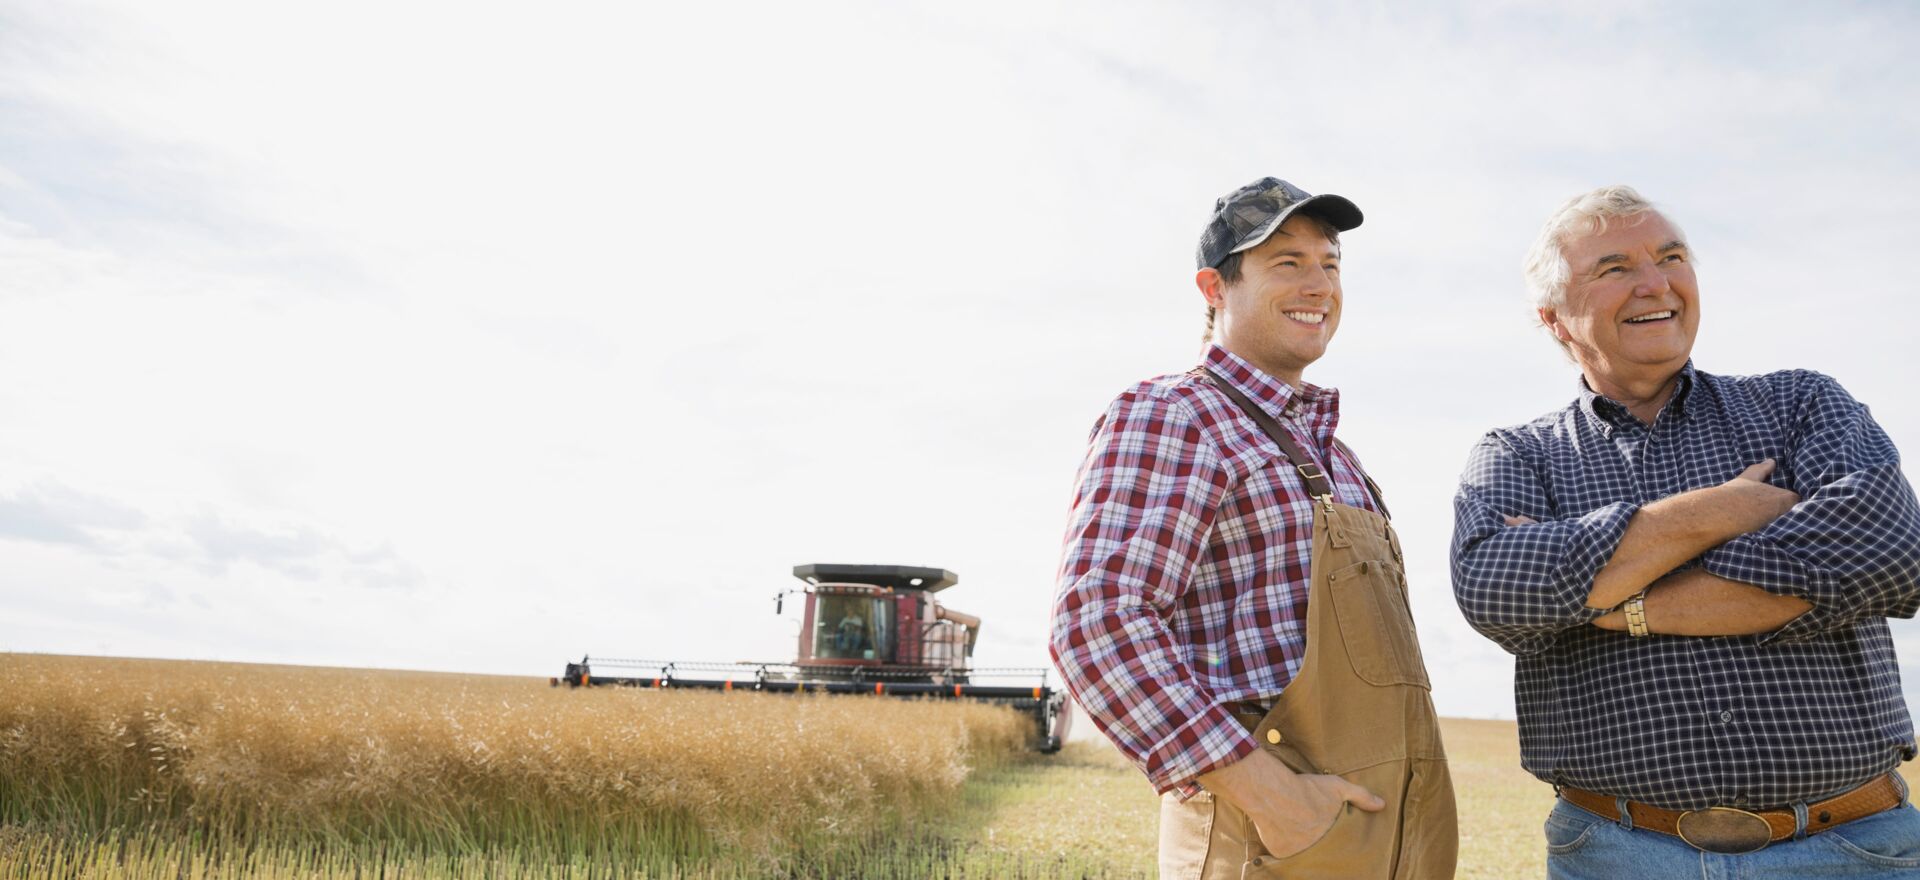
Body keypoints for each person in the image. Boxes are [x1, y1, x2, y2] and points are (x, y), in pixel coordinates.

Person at [1451, 185, 1920, 877]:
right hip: (1617, 851)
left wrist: (1618, 603)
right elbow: (1497, 590)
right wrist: (1724, 511)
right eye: (1614, 268)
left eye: (1671, 256)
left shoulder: (1801, 403)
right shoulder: (1520, 454)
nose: (1656, 282)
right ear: (1554, 318)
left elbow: (1885, 552)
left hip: (1848, 848)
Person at [1052, 177, 1457, 879]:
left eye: (1330, 265)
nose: (1318, 285)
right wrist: (1274, 800)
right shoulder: (1177, 414)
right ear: (1214, 287)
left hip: (1390, 844)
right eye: (1286, 263)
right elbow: (1097, 622)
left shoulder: (1339, 459)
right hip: (1273, 848)